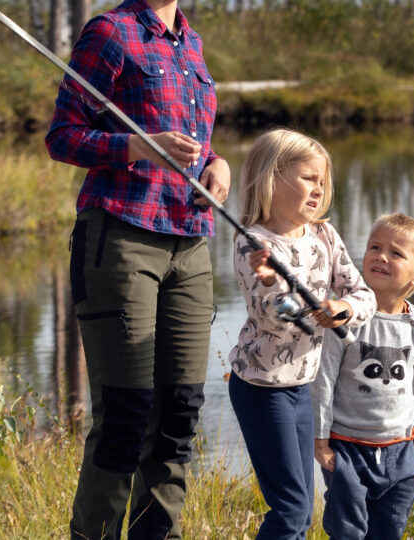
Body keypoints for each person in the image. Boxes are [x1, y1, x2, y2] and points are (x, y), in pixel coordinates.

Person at [42, 0, 227, 536]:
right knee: (126, 415)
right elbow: (63, 136)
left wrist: (218, 165)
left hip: (190, 243)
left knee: (178, 417)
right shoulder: (111, 32)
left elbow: (197, 144)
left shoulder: (189, 42)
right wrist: (138, 148)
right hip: (121, 237)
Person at [229, 129, 375, 539]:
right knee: (291, 508)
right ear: (271, 178)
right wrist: (271, 283)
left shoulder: (325, 235)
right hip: (263, 389)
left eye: (323, 181)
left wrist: (344, 309)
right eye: (309, 178)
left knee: (303, 508)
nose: (319, 188)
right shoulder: (252, 242)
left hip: (307, 386)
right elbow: (275, 318)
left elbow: (362, 294)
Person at [312, 213, 414, 540]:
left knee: (390, 530)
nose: (380, 256)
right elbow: (323, 381)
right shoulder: (347, 316)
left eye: (396, 253)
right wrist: (321, 440)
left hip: (401, 447)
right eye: (374, 247)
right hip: (347, 445)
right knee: (347, 529)